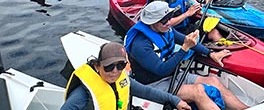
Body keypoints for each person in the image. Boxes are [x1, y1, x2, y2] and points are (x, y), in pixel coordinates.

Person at [124, 1, 247, 110]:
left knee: (213, 81)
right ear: (152, 22)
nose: (168, 22)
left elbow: (186, 40)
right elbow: (161, 70)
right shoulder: (140, 45)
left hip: (174, 74)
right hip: (154, 84)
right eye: (164, 21)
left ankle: (245, 108)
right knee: (198, 91)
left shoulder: (165, 29)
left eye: (169, 17)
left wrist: (210, 54)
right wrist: (184, 49)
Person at [61, 42, 190, 110]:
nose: (115, 71)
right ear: (97, 66)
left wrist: (175, 100)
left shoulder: (122, 80)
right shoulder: (81, 96)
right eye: (109, 66)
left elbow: (147, 91)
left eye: (120, 65)